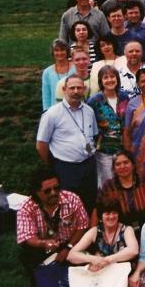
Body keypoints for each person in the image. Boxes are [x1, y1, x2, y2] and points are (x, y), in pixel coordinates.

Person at [16, 167, 90, 287]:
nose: (53, 193)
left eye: (57, 188)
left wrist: (68, 247)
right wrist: (43, 243)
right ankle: (36, 282)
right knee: (26, 255)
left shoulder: (72, 199)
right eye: (47, 191)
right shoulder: (26, 208)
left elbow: (82, 226)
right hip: (44, 246)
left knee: (88, 246)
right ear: (36, 192)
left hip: (71, 242)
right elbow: (28, 237)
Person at [36, 74, 98, 212]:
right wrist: (52, 164)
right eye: (72, 88)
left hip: (88, 165)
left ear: (84, 89)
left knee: (90, 201)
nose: (76, 91)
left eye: (79, 88)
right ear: (64, 89)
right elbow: (41, 145)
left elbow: (93, 136)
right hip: (66, 168)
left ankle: (90, 232)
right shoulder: (52, 114)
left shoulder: (89, 111)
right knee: (68, 205)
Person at [68, 197, 140, 272]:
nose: (111, 216)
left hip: (123, 273)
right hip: (101, 273)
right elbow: (71, 255)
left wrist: (107, 260)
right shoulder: (94, 231)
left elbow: (134, 251)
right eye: (107, 213)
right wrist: (93, 259)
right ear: (100, 216)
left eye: (114, 213)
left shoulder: (127, 230)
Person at [42, 40, 73, 112]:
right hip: (55, 111)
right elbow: (46, 95)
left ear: (67, 51)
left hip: (74, 109)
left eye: (62, 50)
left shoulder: (75, 68)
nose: (59, 53)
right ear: (52, 52)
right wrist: (46, 112)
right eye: (56, 50)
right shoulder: (47, 72)